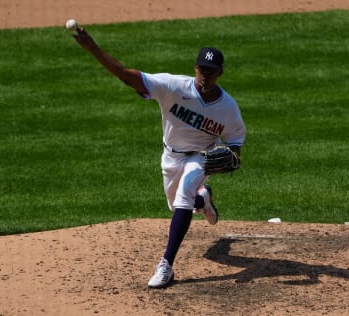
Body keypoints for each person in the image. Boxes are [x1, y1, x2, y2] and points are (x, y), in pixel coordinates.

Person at [72, 27, 246, 288]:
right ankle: (204, 198)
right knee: (178, 206)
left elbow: (235, 143)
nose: (204, 75)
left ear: (220, 73)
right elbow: (125, 75)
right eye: (201, 69)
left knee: (185, 192)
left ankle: (166, 265)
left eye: (211, 71)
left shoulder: (228, 108)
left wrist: (231, 157)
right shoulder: (173, 86)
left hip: (201, 157)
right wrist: (92, 48)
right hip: (171, 156)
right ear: (194, 67)